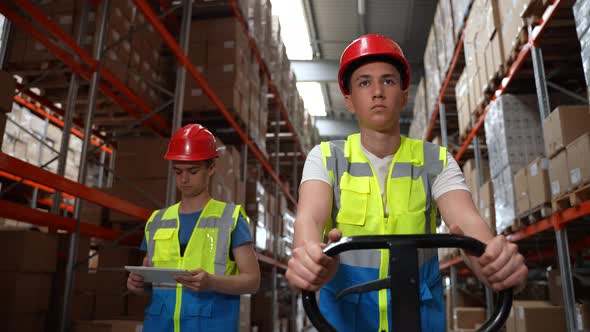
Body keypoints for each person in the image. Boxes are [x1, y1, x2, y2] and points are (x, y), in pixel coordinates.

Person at [285, 34, 527, 331]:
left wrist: (495, 263)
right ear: (349, 100)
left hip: (420, 320)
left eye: (388, 81)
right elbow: (308, 219)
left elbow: (467, 222)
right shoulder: (326, 158)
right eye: (364, 82)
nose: (377, 92)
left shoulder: (434, 160)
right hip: (344, 324)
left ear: (403, 94)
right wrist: (309, 259)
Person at [126, 123, 260, 331]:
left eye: (193, 171)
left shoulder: (230, 218)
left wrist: (212, 283)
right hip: (160, 325)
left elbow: (252, 281)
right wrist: (138, 285)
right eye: (178, 171)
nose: (184, 179)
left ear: (212, 167)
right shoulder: (156, 220)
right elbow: (151, 277)